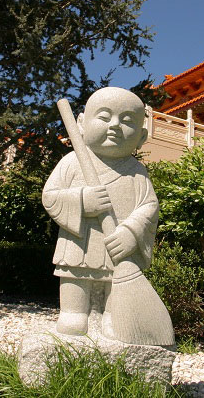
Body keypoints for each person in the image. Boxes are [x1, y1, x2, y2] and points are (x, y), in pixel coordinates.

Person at [42, 87, 158, 336]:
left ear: (141, 137)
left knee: (117, 281)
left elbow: (149, 207)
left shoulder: (137, 172)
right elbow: (50, 196)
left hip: (118, 243)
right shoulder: (72, 162)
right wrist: (82, 200)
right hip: (80, 240)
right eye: (104, 117)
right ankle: (73, 313)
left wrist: (131, 232)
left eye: (127, 121)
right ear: (81, 124)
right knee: (74, 276)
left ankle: (113, 316)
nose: (115, 126)